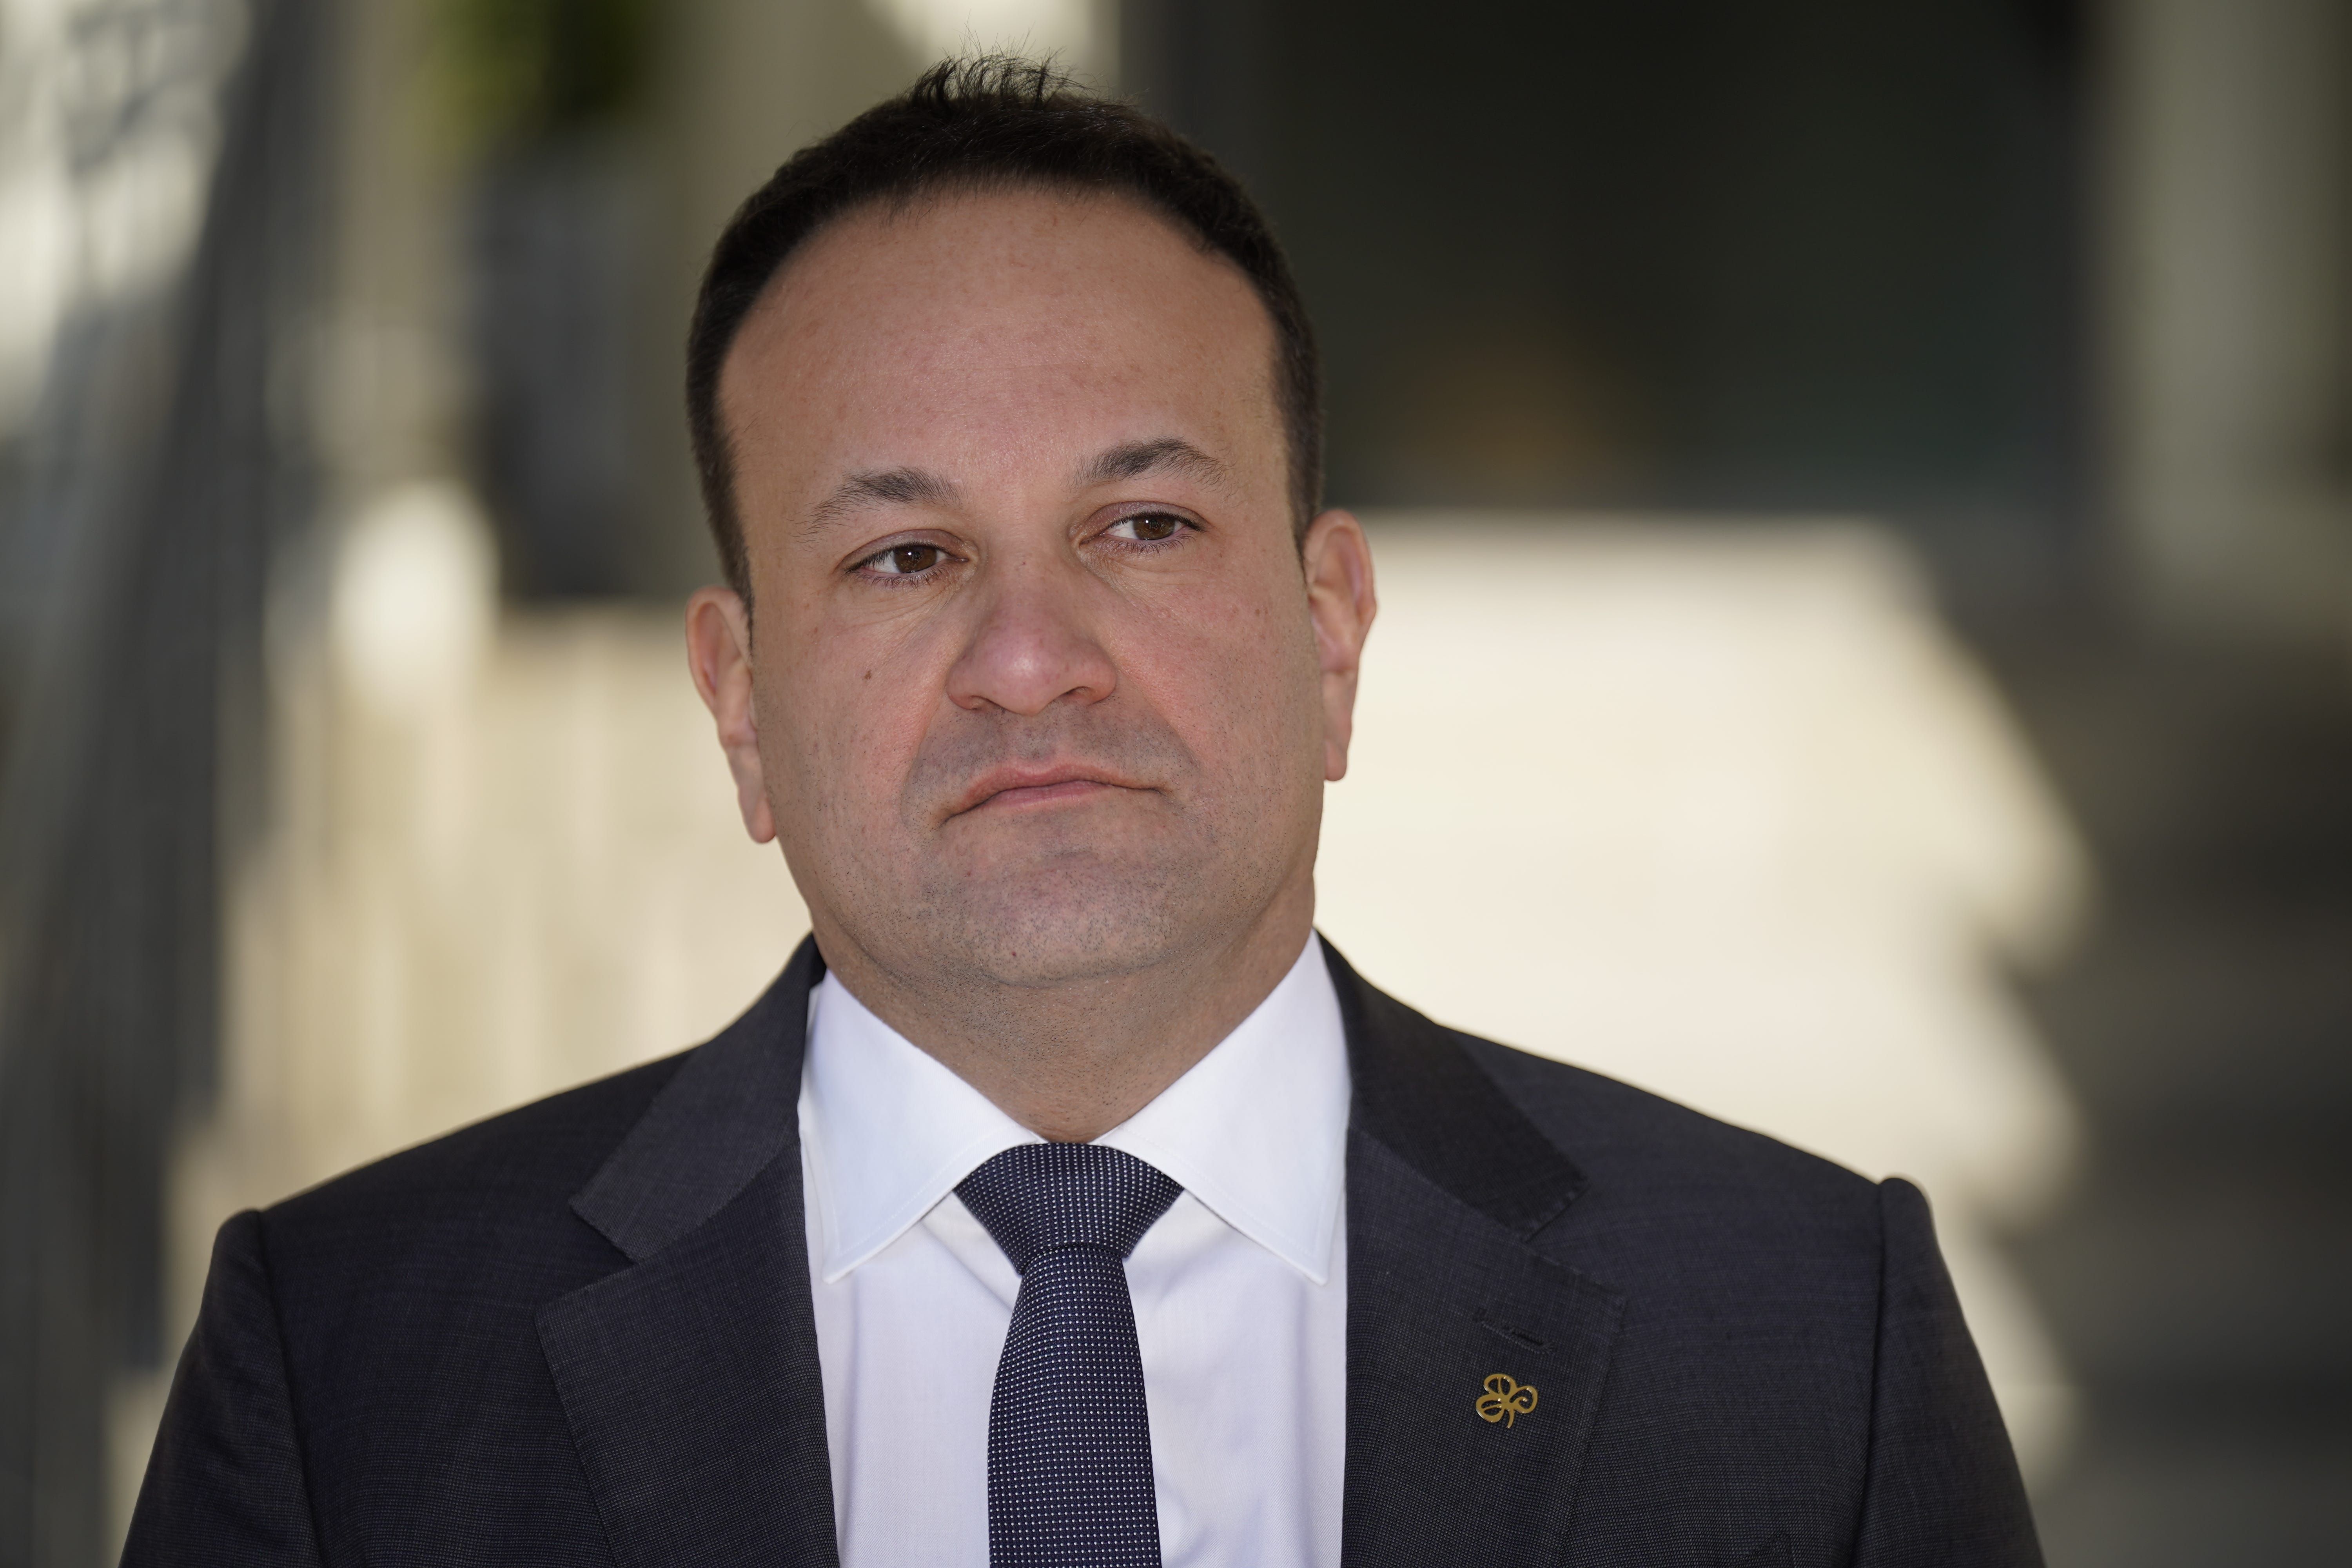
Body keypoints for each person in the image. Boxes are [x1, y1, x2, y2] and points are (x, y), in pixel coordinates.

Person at [125, 58, 2040, 1568]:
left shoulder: (1807, 1335)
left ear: (1333, 627)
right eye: (901, 554)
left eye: (1143, 525)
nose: (1030, 657)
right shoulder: (348, 1366)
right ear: (738, 701)